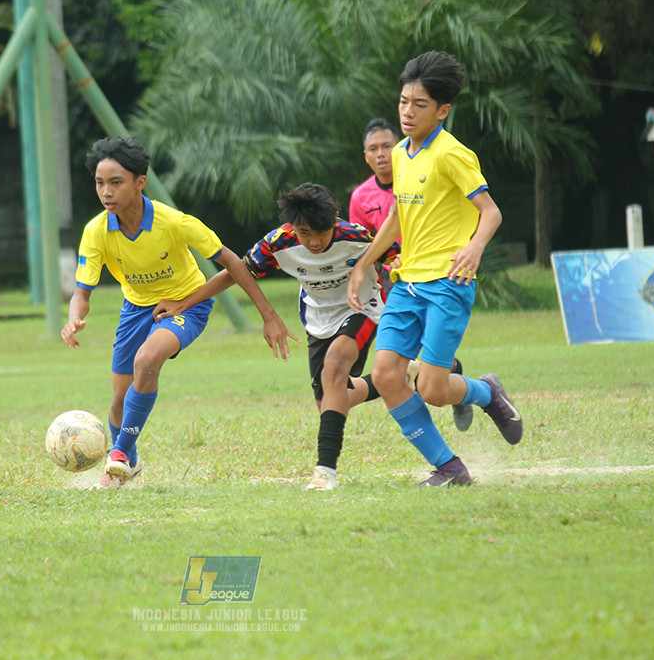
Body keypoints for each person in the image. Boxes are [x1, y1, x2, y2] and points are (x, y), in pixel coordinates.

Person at [156, 183, 467, 490]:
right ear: (293, 227)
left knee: (334, 368)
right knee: (333, 401)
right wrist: (185, 303)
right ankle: (408, 374)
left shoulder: (356, 237)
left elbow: (395, 256)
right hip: (318, 320)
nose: (314, 242)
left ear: (334, 219)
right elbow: (237, 272)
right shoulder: (278, 242)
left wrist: (397, 262)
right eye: (305, 234)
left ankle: (325, 472)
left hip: (362, 310)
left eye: (321, 233)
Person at [62, 136, 296, 489]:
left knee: (147, 359)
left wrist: (269, 315)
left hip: (188, 304)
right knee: (118, 405)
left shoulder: (175, 222)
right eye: (99, 183)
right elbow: (82, 293)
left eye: (115, 182)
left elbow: (232, 261)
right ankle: (131, 462)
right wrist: (73, 317)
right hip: (135, 309)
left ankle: (119, 455)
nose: (106, 192)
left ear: (140, 183)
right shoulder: (96, 232)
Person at [347, 51, 523, 487]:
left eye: (419, 104)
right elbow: (396, 218)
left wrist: (475, 248)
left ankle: (485, 392)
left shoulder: (453, 155)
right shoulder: (402, 155)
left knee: (433, 389)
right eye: (404, 102)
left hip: (447, 283)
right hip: (407, 283)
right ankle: (450, 468)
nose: (407, 112)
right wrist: (363, 264)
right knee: (387, 374)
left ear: (442, 110)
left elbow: (491, 212)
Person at [352, 118, 473, 432]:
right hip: (394, 282)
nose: (381, 154)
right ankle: (448, 381)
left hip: (439, 276)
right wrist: (365, 268)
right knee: (390, 367)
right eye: (373, 149)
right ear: (364, 155)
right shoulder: (361, 197)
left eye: (386, 147)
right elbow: (362, 242)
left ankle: (455, 385)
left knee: (416, 376)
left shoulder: (431, 167)